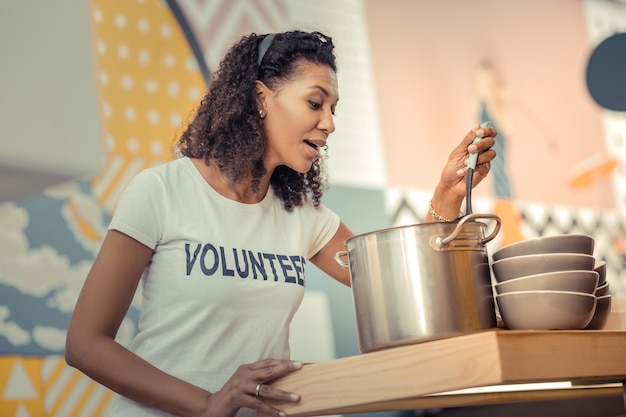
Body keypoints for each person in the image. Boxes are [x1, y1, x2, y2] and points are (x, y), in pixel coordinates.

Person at [65, 30, 497, 417]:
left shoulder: (300, 213)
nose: (329, 123)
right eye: (315, 102)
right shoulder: (160, 191)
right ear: (259, 97)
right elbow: (86, 344)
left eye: (333, 109)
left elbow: (399, 281)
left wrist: (447, 196)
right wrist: (208, 404)